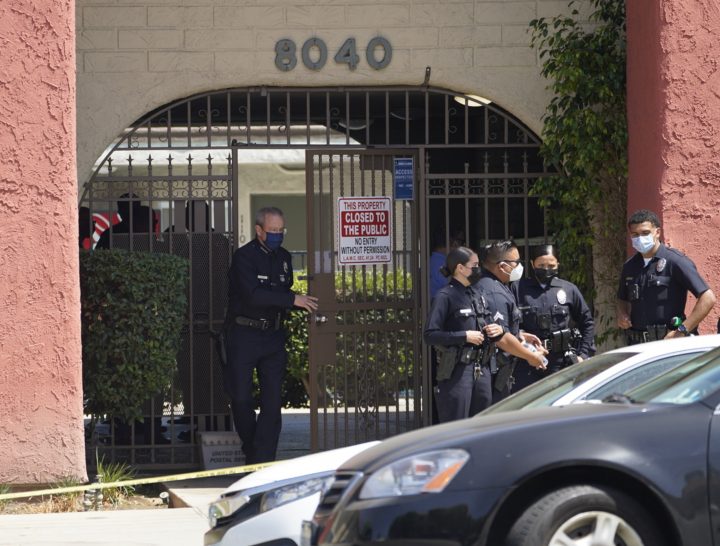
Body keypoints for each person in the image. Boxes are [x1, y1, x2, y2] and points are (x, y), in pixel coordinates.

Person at [225, 206, 318, 463]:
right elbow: (253, 296)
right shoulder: (244, 257)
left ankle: (262, 459)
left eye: (281, 230)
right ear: (259, 230)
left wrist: (291, 301)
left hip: (273, 336)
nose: (278, 235)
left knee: (272, 402)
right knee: (242, 399)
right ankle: (252, 447)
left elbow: (281, 294)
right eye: (272, 231)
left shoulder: (284, 257)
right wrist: (291, 299)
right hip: (245, 334)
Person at [616, 209, 716, 344]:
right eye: (635, 234)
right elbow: (622, 299)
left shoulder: (675, 261)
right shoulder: (630, 266)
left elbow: (708, 298)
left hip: (670, 343)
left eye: (645, 233)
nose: (640, 238)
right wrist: (622, 314)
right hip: (638, 345)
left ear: (657, 232)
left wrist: (681, 331)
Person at [511, 244, 596, 390]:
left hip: (561, 361)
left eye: (551, 265)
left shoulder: (569, 289)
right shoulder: (517, 288)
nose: (546, 269)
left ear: (558, 265)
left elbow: (587, 322)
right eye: (541, 265)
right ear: (532, 264)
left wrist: (583, 354)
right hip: (527, 361)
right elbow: (509, 324)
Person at [476, 240, 548, 402]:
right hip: (493, 373)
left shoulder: (492, 285)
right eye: (516, 262)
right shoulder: (494, 293)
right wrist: (532, 356)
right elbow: (500, 338)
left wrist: (520, 335)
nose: (519, 267)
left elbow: (500, 328)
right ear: (502, 266)